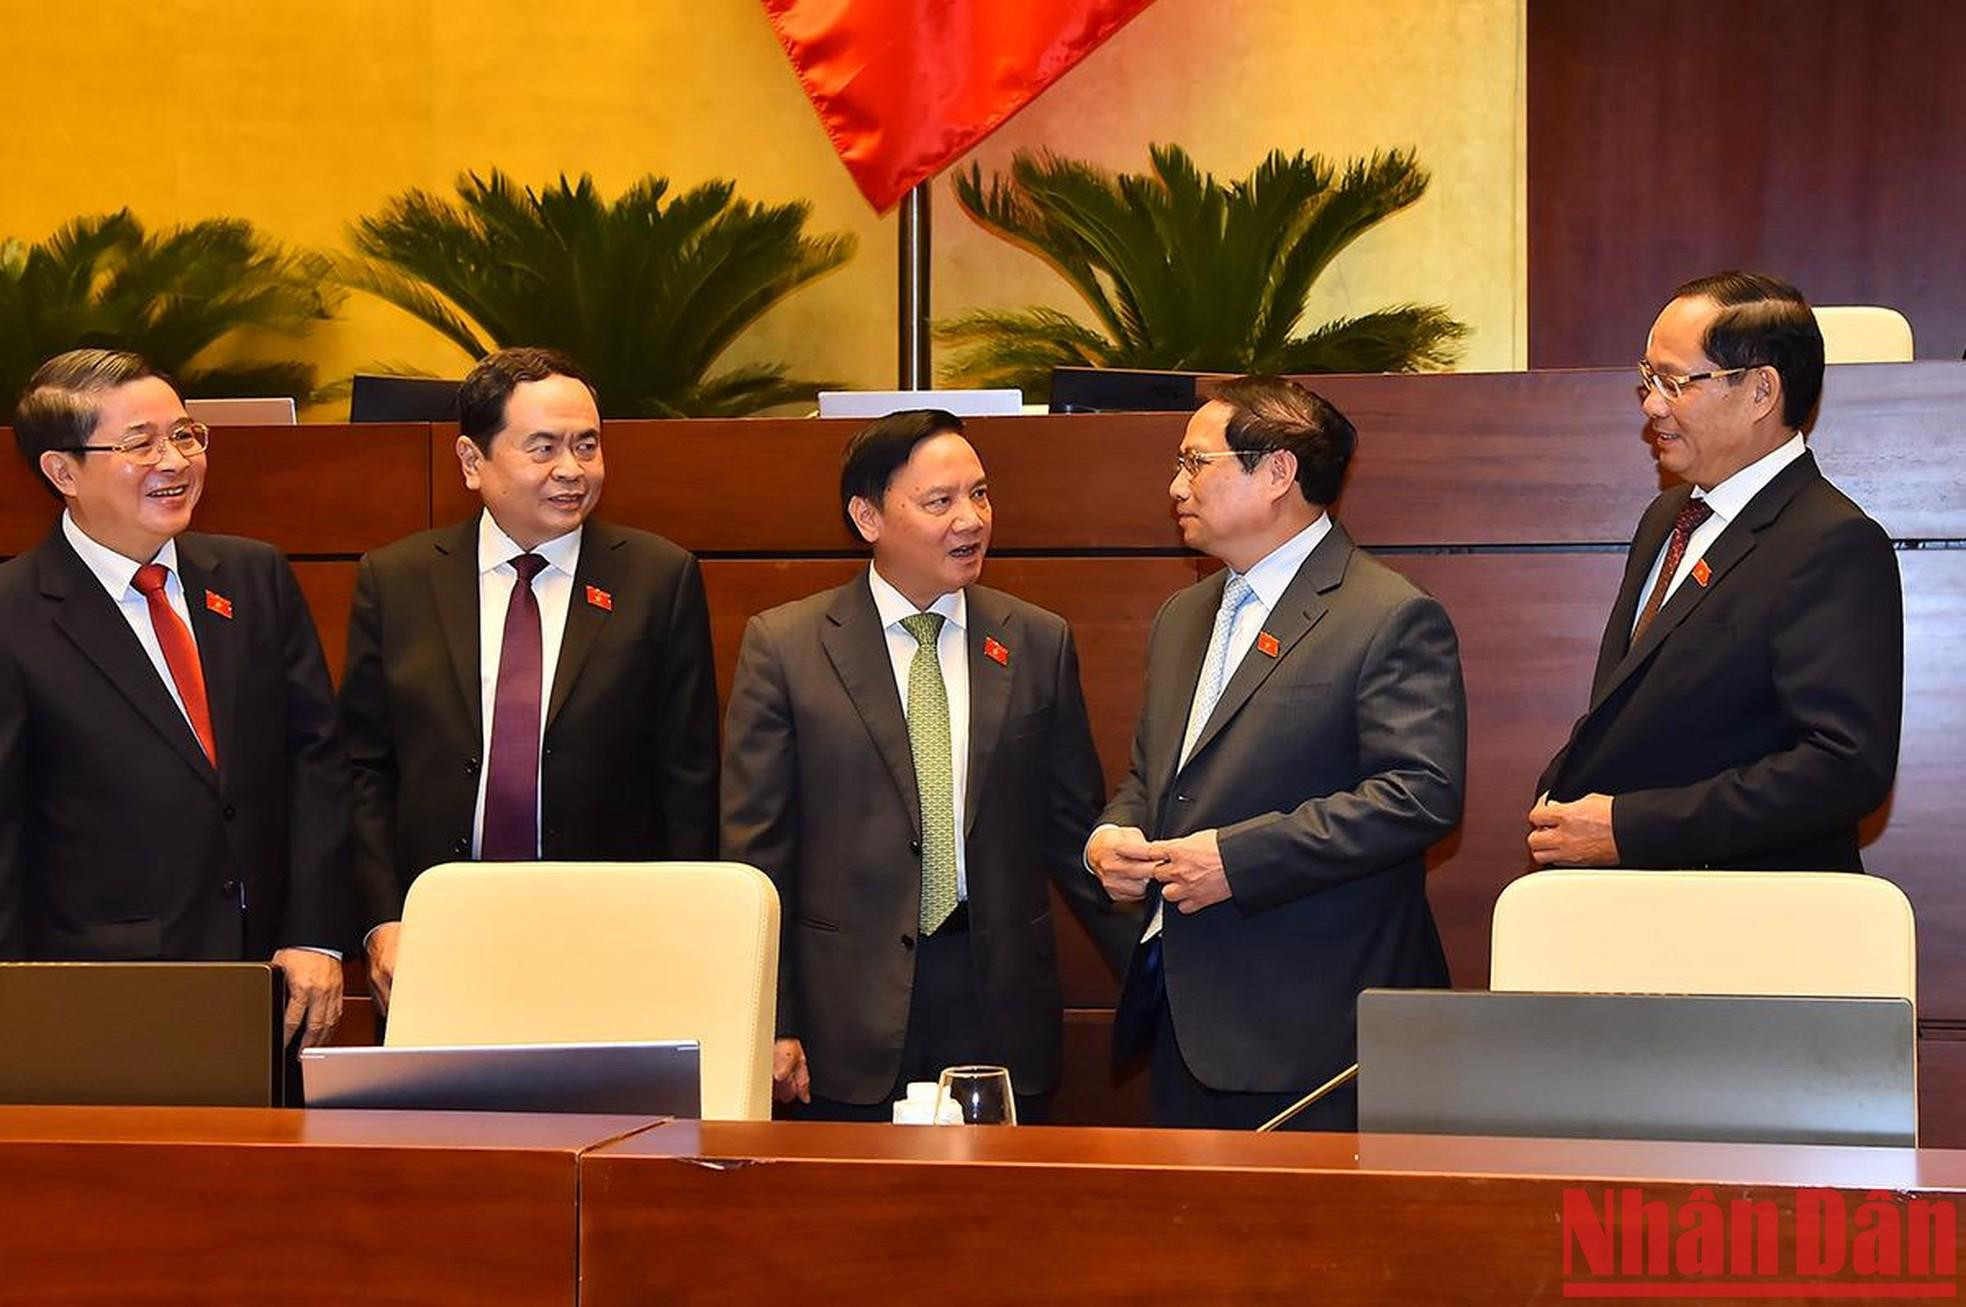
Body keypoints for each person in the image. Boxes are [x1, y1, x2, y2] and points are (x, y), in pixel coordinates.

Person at [721, 409, 1132, 1120]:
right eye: (940, 502)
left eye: (980, 494)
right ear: (867, 515)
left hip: (997, 1000)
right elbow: (757, 852)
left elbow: (1072, 830)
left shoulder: (1036, 640)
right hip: (844, 1013)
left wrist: (1153, 969)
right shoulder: (786, 646)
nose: (970, 520)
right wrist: (772, 1019)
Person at [1088, 375, 1466, 1130]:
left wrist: (1238, 858)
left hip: (1314, 1030)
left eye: (1195, 463)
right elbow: (1155, 776)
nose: (1175, 486)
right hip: (1185, 1019)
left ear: (1278, 472)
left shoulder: (1387, 613)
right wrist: (1115, 833)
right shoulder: (1183, 615)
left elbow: (1418, 794)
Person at [340, 347, 718, 1011]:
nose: (571, 470)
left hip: (610, 940)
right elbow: (365, 767)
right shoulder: (397, 579)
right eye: (543, 447)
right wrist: (382, 919)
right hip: (438, 934)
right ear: (471, 461)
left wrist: (679, 938)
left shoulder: (659, 578)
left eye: (587, 445)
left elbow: (687, 778)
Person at [0, 349, 349, 1048]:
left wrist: (316, 935)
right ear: (62, 471)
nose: (176, 460)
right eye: (141, 443)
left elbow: (316, 762)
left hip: (273, 988)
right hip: (103, 998)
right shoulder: (14, 614)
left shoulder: (253, 577)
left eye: (186, 434)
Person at [1529, 272, 1902, 872]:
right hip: (1639, 908)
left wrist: (1629, 829)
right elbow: (1635, 708)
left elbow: (1843, 768)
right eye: (1648, 378)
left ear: (1760, 392)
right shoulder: (1667, 517)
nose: (1652, 405)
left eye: (1675, 382)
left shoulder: (1832, 542)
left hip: (1750, 920)